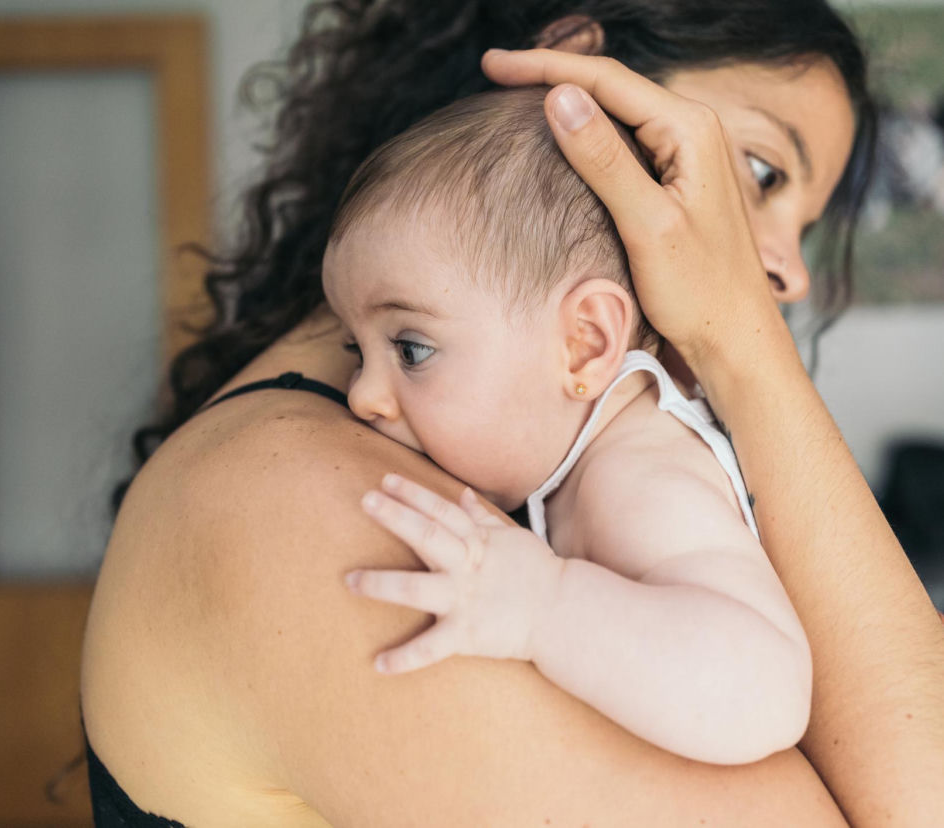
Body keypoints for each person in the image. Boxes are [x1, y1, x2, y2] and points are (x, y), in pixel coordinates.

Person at [81, 2, 944, 826]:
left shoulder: (522, 457)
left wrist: (740, 342)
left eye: (806, 225)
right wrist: (743, 343)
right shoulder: (299, 503)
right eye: (761, 171)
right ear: (576, 78)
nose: (790, 274)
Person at [323, 86, 811, 766]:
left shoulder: (638, 479)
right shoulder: (584, 462)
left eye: (410, 348)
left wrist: (544, 606)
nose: (362, 396)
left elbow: (764, 692)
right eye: (356, 350)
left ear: (585, 343)